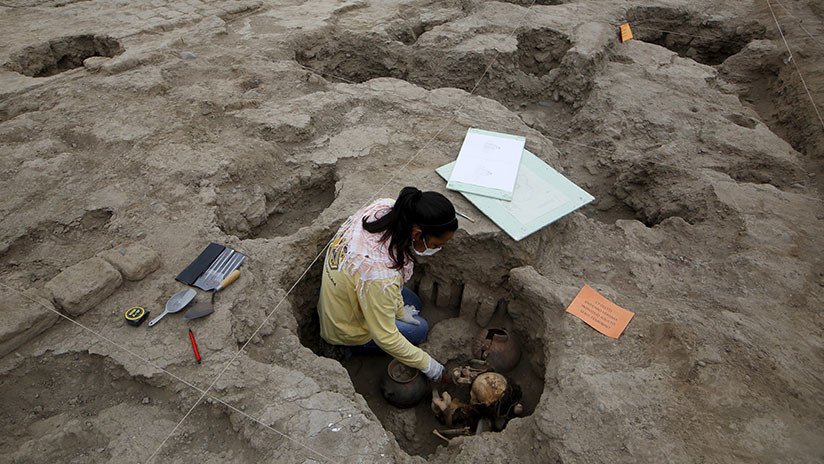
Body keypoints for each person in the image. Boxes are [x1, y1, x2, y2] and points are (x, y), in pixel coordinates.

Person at [317, 186, 458, 383]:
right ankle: (343, 348)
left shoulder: (385, 209)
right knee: (420, 329)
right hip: (343, 328)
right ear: (417, 234)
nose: (438, 249)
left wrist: (400, 311)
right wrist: (430, 366)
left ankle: (388, 316)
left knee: (414, 303)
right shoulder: (379, 277)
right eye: (435, 245)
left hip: (343, 299)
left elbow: (385, 286)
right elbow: (386, 337)